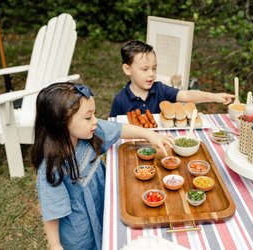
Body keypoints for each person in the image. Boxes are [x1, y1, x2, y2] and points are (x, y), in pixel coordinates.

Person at [30, 82, 174, 250]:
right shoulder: (52, 167)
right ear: (61, 122)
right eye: (88, 117)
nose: (95, 121)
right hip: (80, 234)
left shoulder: (89, 134)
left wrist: (149, 134)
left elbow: (118, 129)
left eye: (94, 114)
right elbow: (53, 210)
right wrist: (54, 245)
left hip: (105, 208)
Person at [109, 40, 235, 117]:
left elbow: (186, 95)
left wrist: (214, 97)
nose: (151, 74)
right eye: (145, 69)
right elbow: (114, 129)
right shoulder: (120, 100)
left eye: (154, 68)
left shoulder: (159, 89)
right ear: (127, 69)